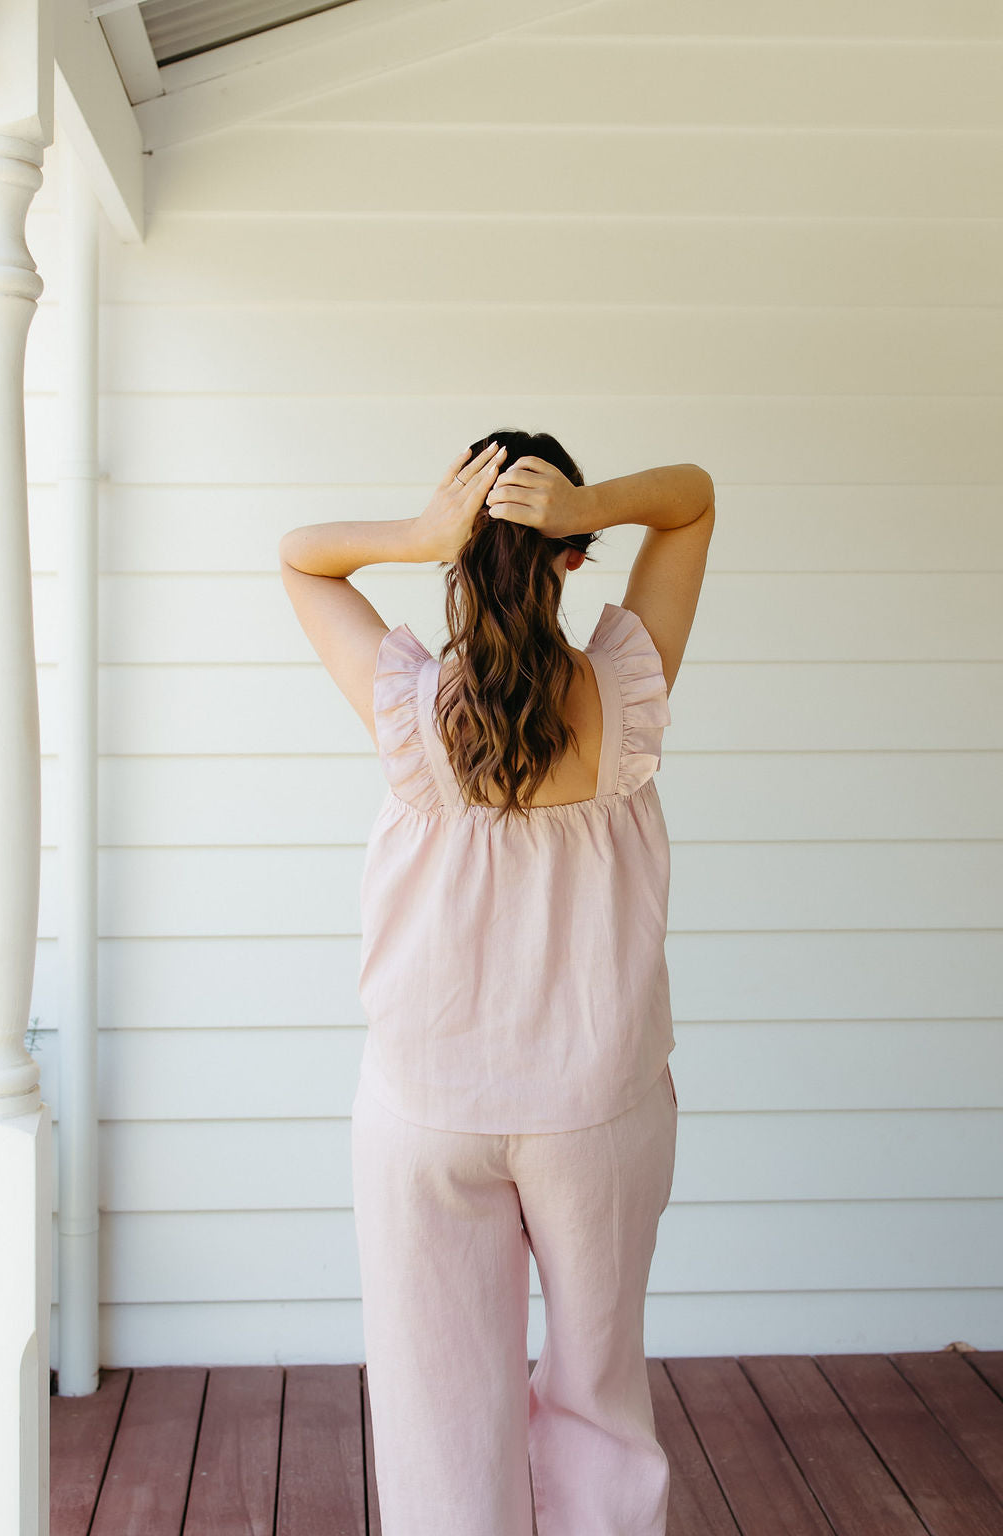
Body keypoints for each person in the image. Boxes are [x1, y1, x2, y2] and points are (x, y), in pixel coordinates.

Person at [278, 430, 715, 1536]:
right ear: (576, 553)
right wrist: (586, 501)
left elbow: (300, 556)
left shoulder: (408, 711)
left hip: (426, 1111)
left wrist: (419, 531)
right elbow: (694, 500)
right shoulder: (626, 693)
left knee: (435, 1414)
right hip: (597, 1108)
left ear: (456, 557)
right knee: (599, 1394)